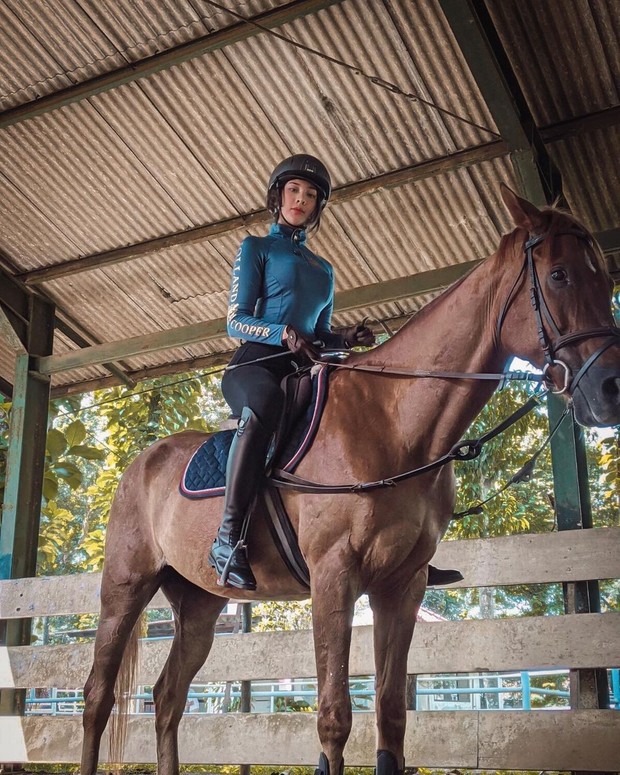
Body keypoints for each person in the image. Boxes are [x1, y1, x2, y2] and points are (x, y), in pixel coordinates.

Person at [209, 153, 462, 591]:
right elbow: (236, 320)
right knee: (265, 405)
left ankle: (407, 546)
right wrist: (284, 334)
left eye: (310, 196)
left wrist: (345, 338)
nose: (301, 200)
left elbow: (320, 332)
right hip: (256, 364)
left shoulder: (324, 270)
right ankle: (228, 538)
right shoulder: (257, 248)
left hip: (306, 368)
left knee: (365, 412)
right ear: (278, 196)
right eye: (293, 191)